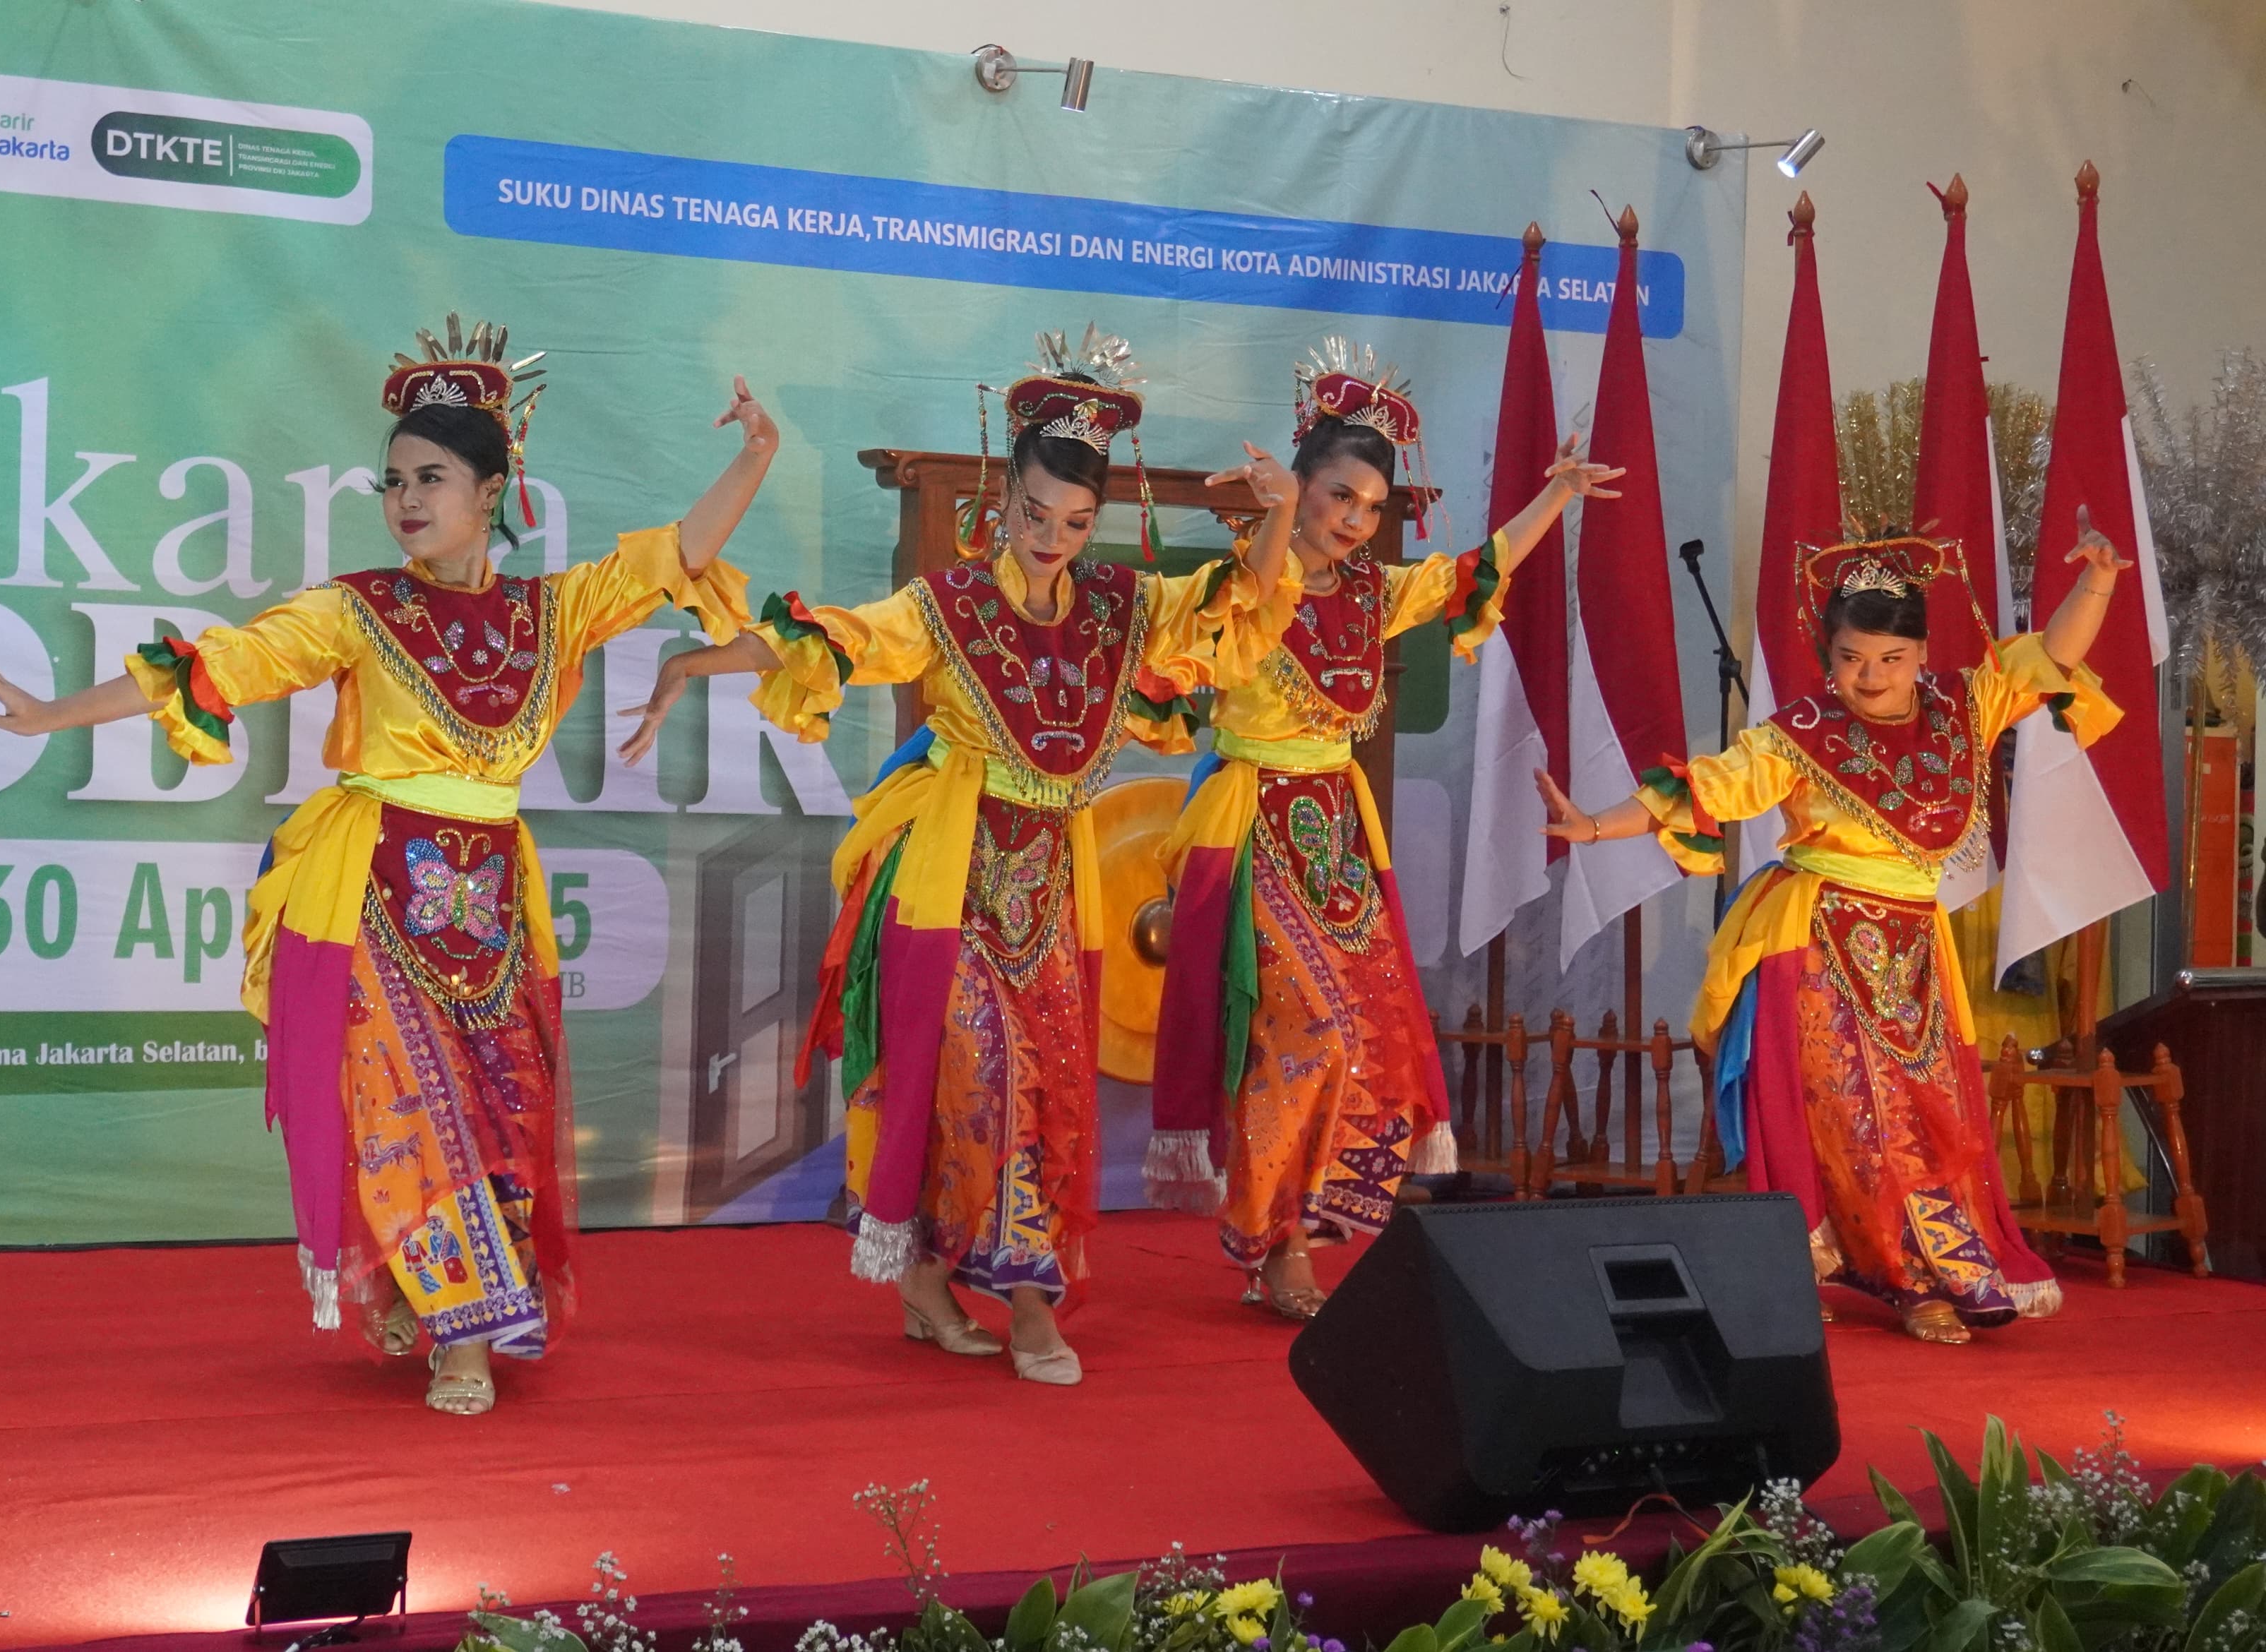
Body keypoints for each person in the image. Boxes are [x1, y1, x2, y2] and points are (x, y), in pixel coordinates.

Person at [0, 316, 773, 1415]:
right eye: (392, 481)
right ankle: (463, 1335)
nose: (404, 501)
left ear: (493, 489)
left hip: (491, 907)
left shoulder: (556, 611)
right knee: (408, 1111)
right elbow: (223, 667)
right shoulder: (359, 609)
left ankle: (426, 1286)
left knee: (501, 1114)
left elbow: (674, 556)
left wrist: (758, 455)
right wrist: (57, 712)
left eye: (430, 478)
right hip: (378, 897)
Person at [619, 326, 1289, 1384]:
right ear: (1003, 495)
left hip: (1059, 890)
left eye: (1075, 521)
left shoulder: (1122, 612)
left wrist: (1283, 512)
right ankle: (1028, 1301)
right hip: (954, 878)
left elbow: (1237, 609)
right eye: (1034, 514)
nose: (1052, 538)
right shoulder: (951, 607)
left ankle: (930, 1286)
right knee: (984, 1079)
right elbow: (829, 637)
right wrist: (695, 661)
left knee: (1045, 1090)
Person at [1536, 517, 2130, 1342]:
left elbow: (2051, 658)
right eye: (1850, 659)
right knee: (1859, 1116)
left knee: (1932, 1112)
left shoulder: (1964, 703)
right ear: (1828, 657)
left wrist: (2095, 581)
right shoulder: (1801, 735)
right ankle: (1907, 1282)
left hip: (1916, 947)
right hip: (1818, 943)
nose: (1868, 677)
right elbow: (1705, 788)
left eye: (1889, 660)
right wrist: (1596, 826)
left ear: (1921, 656)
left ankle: (1937, 1261)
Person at [1143, 345, 1623, 1319]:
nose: (1356, 521)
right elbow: (1251, 614)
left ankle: (1301, 1230)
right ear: (1298, 483)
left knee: (1364, 1037)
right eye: (1337, 497)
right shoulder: (1235, 586)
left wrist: (1556, 500)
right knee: (1297, 1034)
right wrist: (1275, 520)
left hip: (1340, 839)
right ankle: (1271, 1241)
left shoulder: (1372, 591)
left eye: (1371, 507)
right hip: (1252, 828)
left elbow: (1470, 573)